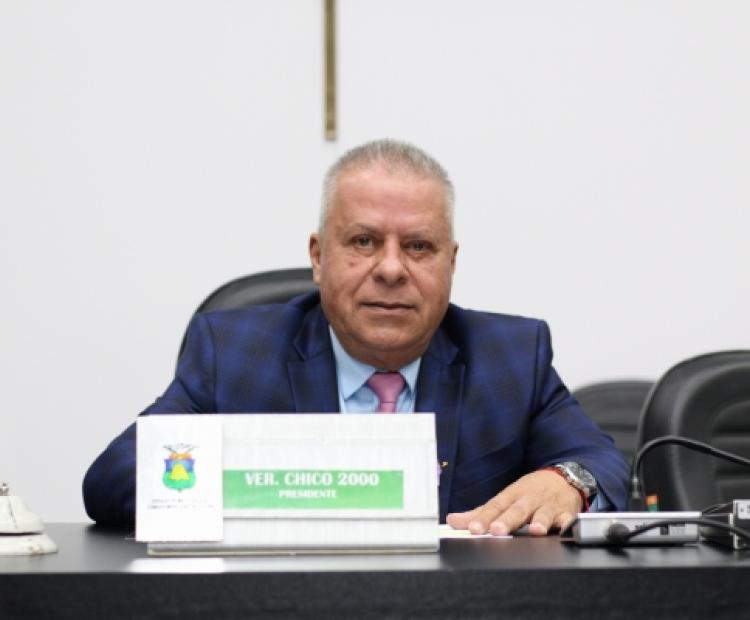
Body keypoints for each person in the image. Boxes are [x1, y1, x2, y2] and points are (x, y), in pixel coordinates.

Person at [83, 139, 628, 533]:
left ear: (451, 262)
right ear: (319, 257)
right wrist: (276, 488)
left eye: (418, 247)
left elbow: (600, 463)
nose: (391, 269)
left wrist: (567, 481)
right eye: (364, 242)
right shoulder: (234, 354)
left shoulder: (510, 358)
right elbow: (114, 478)